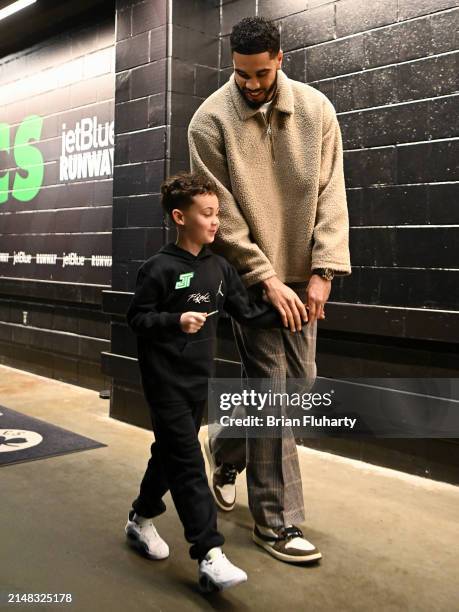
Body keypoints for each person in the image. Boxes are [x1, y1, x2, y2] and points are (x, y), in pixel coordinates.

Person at [189, 16, 351, 563]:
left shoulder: (317, 110)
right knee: (274, 392)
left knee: (298, 393)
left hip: (305, 276)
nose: (251, 85)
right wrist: (266, 278)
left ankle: (225, 446)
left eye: (260, 74)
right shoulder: (209, 122)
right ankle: (277, 523)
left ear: (279, 58)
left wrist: (324, 271)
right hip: (250, 277)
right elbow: (223, 219)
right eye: (241, 75)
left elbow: (331, 194)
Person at [124, 172, 295, 592]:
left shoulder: (219, 268)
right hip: (164, 382)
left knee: (169, 454)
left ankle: (140, 518)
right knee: (187, 462)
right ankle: (208, 553)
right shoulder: (158, 269)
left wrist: (295, 312)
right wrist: (175, 321)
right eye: (207, 214)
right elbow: (137, 319)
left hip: (198, 383)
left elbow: (247, 312)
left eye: (217, 213)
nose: (216, 221)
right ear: (180, 217)